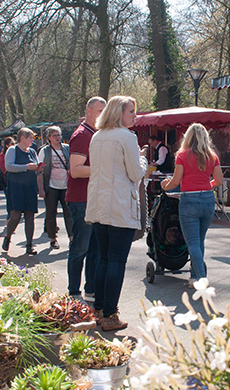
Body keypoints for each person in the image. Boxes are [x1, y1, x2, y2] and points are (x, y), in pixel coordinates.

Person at [85, 96, 146, 332]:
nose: (134, 116)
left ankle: (100, 309)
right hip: (119, 206)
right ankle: (110, 314)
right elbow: (135, 173)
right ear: (119, 113)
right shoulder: (126, 137)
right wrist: (142, 159)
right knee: (116, 260)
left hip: (99, 205)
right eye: (131, 111)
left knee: (104, 258)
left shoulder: (97, 136)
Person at [161, 123, 223, 286]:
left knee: (193, 243)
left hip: (189, 200)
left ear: (188, 137)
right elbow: (219, 180)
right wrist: (206, 186)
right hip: (208, 200)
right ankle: (194, 277)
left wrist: (165, 186)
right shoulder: (212, 156)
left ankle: (201, 278)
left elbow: (176, 181)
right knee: (200, 241)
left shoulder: (182, 155)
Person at [66, 97, 106, 307]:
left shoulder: (96, 134)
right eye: (99, 111)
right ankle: (73, 291)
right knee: (80, 247)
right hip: (81, 200)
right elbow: (75, 170)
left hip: (94, 199)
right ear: (89, 111)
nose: (102, 115)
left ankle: (91, 290)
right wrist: (105, 168)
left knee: (96, 249)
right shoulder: (82, 135)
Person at [2, 127, 42, 255]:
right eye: (30, 137)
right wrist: (26, 167)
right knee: (16, 215)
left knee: (30, 216)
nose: (32, 140)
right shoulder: (13, 150)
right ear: (22, 138)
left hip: (30, 187)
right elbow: (9, 166)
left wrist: (38, 168)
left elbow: (35, 165)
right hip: (16, 187)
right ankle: (8, 237)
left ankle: (29, 245)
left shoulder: (32, 151)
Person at [40, 126, 73, 249]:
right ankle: (53, 238)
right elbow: (40, 171)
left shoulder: (67, 148)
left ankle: (72, 238)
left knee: (69, 213)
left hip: (66, 186)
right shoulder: (44, 151)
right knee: (51, 213)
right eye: (54, 135)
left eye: (59, 135)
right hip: (51, 186)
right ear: (49, 138)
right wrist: (41, 189)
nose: (57, 137)